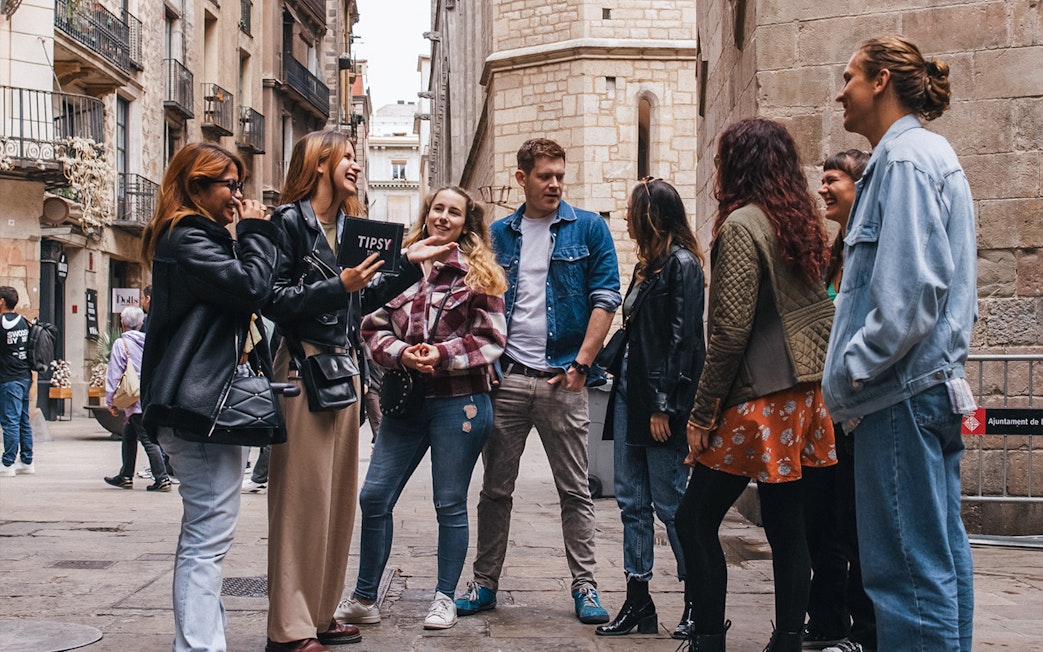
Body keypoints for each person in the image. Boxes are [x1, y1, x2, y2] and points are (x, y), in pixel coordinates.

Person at [263, 129, 452, 652]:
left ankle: (321, 615)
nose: (355, 166)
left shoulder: (351, 227)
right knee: (301, 500)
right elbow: (274, 299)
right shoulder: (288, 223)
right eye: (347, 157)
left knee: (337, 500)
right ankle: (289, 630)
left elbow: (364, 301)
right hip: (303, 366)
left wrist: (408, 264)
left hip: (345, 369)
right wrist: (336, 285)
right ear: (319, 163)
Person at [823, 36, 977, 652]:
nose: (841, 90)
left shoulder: (905, 161)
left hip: (899, 394)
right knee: (936, 563)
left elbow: (909, 294)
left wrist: (851, 372)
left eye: (850, 77)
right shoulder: (925, 156)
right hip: (923, 389)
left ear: (881, 80)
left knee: (906, 575)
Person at [676, 118, 836, 652]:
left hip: (758, 398)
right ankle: (789, 638)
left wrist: (701, 416)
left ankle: (706, 638)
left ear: (737, 164)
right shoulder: (796, 221)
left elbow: (728, 333)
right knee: (785, 522)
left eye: (722, 160)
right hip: (802, 395)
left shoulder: (743, 225)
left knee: (693, 518)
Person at [456, 137, 621, 625]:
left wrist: (581, 366)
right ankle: (484, 583)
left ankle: (585, 585)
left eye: (559, 176)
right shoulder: (500, 234)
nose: (554, 184)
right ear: (521, 178)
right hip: (506, 379)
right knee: (495, 491)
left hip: (561, 379)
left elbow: (605, 298)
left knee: (575, 490)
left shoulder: (588, 228)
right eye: (544, 176)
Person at [335, 186, 507, 631]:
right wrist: (400, 353)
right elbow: (370, 326)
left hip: (460, 403)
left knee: (449, 502)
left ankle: (445, 597)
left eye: (454, 212)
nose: (444, 217)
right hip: (405, 401)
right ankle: (364, 598)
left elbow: (491, 340)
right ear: (426, 214)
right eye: (438, 209)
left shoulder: (479, 274)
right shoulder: (400, 266)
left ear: (467, 222)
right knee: (374, 496)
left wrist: (442, 354)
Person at [139, 142, 279, 652]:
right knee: (207, 537)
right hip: (196, 406)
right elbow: (252, 288)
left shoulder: (194, 236)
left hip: (199, 403)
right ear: (196, 185)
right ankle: (199, 646)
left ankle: (201, 641)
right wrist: (257, 231)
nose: (238, 197)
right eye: (230, 185)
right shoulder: (188, 235)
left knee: (205, 534)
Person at [595, 178, 705, 639]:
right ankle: (638, 601)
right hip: (629, 393)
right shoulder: (647, 268)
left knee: (672, 503)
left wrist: (664, 405)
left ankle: (700, 598)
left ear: (651, 215)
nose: (624, 216)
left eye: (630, 210)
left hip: (661, 400)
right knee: (631, 501)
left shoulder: (683, 266)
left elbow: (683, 341)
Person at [802, 150, 877, 652]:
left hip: (857, 414)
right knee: (824, 526)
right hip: (824, 415)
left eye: (832, 180)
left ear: (860, 185)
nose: (823, 189)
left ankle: (864, 632)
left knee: (856, 529)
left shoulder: (869, 250)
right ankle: (827, 620)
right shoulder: (836, 251)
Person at [102, 305, 172, 492]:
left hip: (133, 397)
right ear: (141, 324)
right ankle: (125, 474)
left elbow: (114, 374)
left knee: (147, 438)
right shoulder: (149, 343)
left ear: (123, 323)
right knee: (129, 433)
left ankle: (162, 478)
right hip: (149, 394)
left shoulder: (121, 344)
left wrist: (110, 401)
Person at [0, 285, 33, 477]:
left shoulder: (2, 322)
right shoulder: (24, 321)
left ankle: (8, 463)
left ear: (2, 301)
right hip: (24, 376)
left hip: (8, 378)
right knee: (22, 418)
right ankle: (27, 461)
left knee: (10, 421)